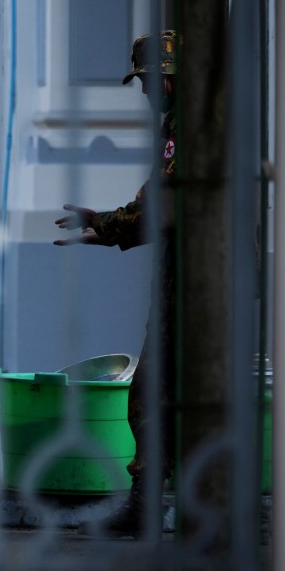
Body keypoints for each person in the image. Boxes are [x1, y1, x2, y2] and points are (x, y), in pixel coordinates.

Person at [54, 31, 181, 536]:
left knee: (154, 392)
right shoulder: (188, 124)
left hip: (199, 287)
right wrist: (106, 230)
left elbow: (163, 205)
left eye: (148, 81)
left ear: (168, 76)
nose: (145, 92)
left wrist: (106, 224)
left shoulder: (187, 128)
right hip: (191, 280)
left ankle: (158, 504)